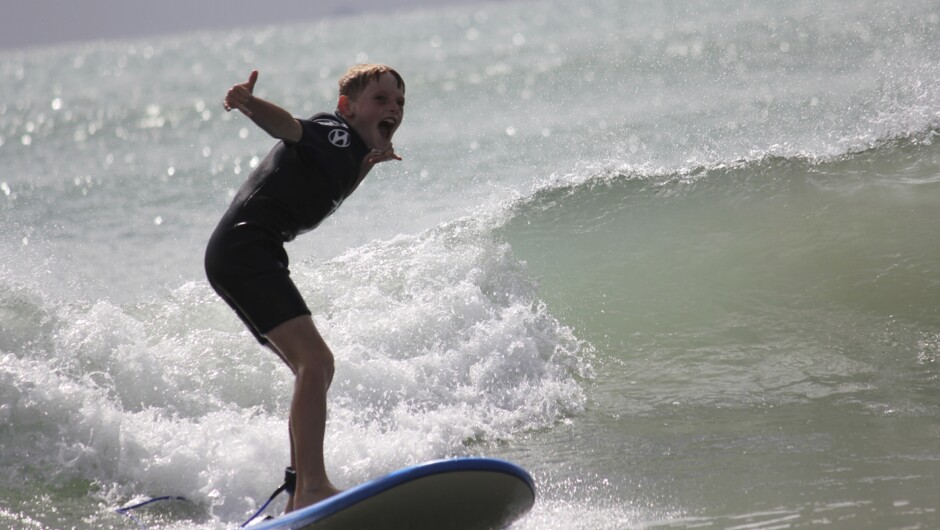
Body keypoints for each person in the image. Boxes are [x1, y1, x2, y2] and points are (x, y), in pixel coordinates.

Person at [205, 64, 405, 511]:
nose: (393, 107)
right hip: (245, 251)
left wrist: (366, 165)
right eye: (381, 99)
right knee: (315, 361)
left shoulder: (352, 152)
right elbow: (291, 129)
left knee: (314, 369)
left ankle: (299, 492)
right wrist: (250, 104)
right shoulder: (334, 133)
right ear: (347, 108)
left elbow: (321, 187)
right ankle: (312, 486)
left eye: (399, 103)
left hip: (251, 252)